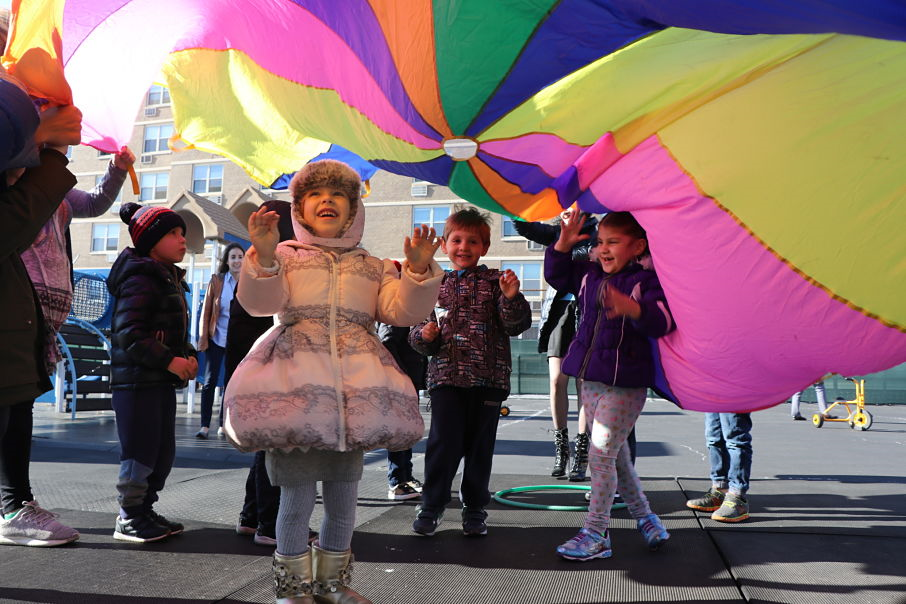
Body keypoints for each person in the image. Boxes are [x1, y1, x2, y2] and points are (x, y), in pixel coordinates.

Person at [223, 159, 442, 604]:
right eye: (316, 195)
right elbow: (261, 302)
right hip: (297, 391)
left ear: (353, 209)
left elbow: (401, 311)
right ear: (300, 210)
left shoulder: (372, 265)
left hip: (350, 398)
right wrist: (264, 256)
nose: (328, 201)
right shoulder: (285, 255)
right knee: (296, 498)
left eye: (338, 195)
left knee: (344, 498)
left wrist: (416, 273)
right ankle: (292, 588)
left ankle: (332, 584)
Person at [545, 211, 674, 561]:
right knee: (616, 460)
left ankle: (596, 532)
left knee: (601, 456)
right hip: (591, 380)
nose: (603, 249)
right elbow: (556, 275)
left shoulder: (645, 282)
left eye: (613, 242)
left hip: (625, 386)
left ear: (638, 247)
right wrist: (562, 243)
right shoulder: (587, 276)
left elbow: (662, 321)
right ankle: (647, 518)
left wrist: (632, 307)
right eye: (600, 242)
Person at [409, 207, 532, 538]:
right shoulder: (433, 285)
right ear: (445, 245)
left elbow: (516, 325)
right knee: (442, 444)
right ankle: (431, 504)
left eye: (472, 241)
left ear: (484, 248)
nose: (464, 247)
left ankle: (475, 507)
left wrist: (512, 298)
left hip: (488, 380)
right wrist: (425, 336)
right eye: (457, 240)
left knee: (480, 447)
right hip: (446, 379)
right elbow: (416, 328)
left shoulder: (495, 283)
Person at [0, 74, 83, 547]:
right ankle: (14, 505)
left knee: (17, 399)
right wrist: (42, 141)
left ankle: (16, 504)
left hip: (27, 307)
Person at [107, 202, 198, 543]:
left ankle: (144, 509)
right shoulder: (141, 278)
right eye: (173, 233)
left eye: (182, 233)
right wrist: (169, 361)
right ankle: (129, 515)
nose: (182, 240)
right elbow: (129, 334)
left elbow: (172, 331)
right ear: (151, 241)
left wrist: (186, 355)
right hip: (135, 382)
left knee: (162, 451)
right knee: (140, 451)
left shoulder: (167, 277)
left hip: (157, 379)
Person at [21, 146, 134, 377]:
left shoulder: (54, 183)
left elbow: (93, 203)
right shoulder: (15, 173)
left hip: (49, 319)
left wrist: (117, 169)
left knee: (25, 399)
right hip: (21, 302)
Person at [513, 206, 599, 480]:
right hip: (560, 315)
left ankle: (583, 450)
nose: (568, 211)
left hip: (589, 315)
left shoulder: (598, 235)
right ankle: (562, 448)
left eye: (574, 207)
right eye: (563, 207)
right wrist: (514, 201)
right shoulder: (555, 234)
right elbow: (524, 226)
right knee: (556, 381)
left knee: (584, 384)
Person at [226, 199, 291, 548]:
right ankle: (270, 522)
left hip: (253, 372)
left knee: (267, 448)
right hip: (269, 373)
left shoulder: (256, 269)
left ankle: (252, 517)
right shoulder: (269, 269)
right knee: (276, 448)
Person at [378, 300, 428, 501]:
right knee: (400, 430)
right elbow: (386, 342)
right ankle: (397, 481)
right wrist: (401, 374)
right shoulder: (398, 308)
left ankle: (404, 478)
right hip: (401, 381)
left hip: (407, 379)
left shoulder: (410, 308)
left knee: (405, 430)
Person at [196, 242, 245, 438]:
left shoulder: (250, 282)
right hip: (216, 338)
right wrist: (203, 338)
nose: (237, 260)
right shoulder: (217, 281)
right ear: (227, 261)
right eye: (233, 257)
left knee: (230, 384)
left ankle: (223, 424)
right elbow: (207, 311)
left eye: (240, 256)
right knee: (209, 382)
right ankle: (204, 426)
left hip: (237, 341)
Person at [685, 413, 753, 523]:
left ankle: (738, 498)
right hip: (715, 395)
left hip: (734, 395)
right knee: (714, 437)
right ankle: (720, 490)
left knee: (736, 438)